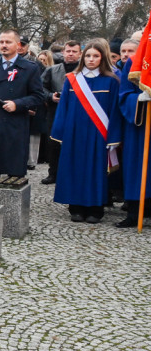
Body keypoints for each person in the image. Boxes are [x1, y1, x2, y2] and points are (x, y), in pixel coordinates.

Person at [49, 41, 121, 224]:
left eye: (95, 56)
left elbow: (114, 111)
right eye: (88, 56)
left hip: (99, 134)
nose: (91, 59)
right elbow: (63, 107)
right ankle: (76, 208)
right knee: (75, 168)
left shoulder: (112, 81)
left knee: (95, 170)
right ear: (83, 57)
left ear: (102, 58)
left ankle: (95, 209)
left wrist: (114, 136)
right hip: (74, 133)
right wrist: (60, 132)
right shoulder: (72, 79)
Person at [0, 30, 45, 178]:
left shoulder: (30, 68)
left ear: (17, 45)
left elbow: (38, 96)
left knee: (14, 171)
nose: (4, 45)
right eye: (2, 42)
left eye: (8, 42)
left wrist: (18, 104)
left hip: (15, 125)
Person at [117, 47, 151, 228]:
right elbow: (124, 95)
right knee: (137, 168)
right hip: (140, 125)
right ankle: (134, 212)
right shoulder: (134, 62)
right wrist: (139, 100)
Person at [41, 40, 82, 184]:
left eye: (74, 51)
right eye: (68, 51)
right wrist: (50, 96)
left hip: (78, 112)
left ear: (79, 53)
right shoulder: (52, 70)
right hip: (55, 111)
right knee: (53, 142)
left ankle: (72, 173)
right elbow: (41, 88)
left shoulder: (84, 71)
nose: (70, 54)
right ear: (63, 52)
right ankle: (53, 173)